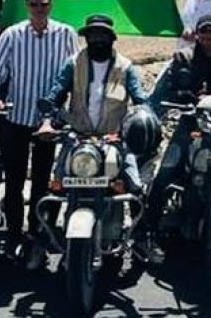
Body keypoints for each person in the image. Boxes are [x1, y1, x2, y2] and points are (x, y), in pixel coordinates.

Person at [36, 14, 155, 267]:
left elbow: (140, 99)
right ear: (86, 38)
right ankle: (40, 242)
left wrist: (143, 119)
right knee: (56, 185)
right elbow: (56, 93)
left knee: (134, 185)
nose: (97, 40)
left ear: (111, 39)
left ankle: (142, 240)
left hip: (113, 139)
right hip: (77, 138)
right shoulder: (73, 63)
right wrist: (48, 118)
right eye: (93, 35)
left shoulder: (126, 67)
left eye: (102, 35)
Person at [144, 14, 211, 264]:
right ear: (197, 34)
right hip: (192, 120)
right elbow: (174, 86)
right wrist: (188, 97)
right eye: (204, 32)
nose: (208, 37)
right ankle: (148, 233)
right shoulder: (184, 56)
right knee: (167, 172)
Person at [0, 0, 77, 261]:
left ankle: (38, 231)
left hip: (49, 123)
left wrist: (73, 110)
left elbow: (74, 74)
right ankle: (13, 234)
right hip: (16, 119)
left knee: (41, 181)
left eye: (44, 3)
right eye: (34, 4)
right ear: (27, 5)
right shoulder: (12, 35)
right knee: (13, 180)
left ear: (51, 4)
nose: (39, 9)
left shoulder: (66, 34)